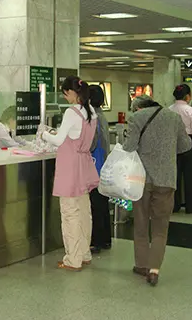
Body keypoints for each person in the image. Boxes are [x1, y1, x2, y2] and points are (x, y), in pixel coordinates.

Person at [124, 95, 191, 286]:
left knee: (141, 224)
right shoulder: (173, 117)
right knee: (161, 228)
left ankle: (142, 265)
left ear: (138, 107)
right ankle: (154, 270)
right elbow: (186, 145)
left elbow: (129, 147)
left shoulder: (137, 118)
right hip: (166, 179)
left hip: (141, 180)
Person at [42, 76, 99, 271]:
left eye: (65, 93)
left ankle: (73, 259)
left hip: (69, 168)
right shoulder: (91, 111)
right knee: (84, 211)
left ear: (72, 92)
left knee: (69, 213)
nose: (65, 97)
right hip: (84, 166)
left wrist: (43, 133)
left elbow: (58, 140)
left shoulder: (71, 112)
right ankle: (84, 253)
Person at [170, 84, 192, 214]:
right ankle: (191, 206)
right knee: (191, 178)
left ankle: (175, 205)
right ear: (188, 96)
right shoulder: (191, 111)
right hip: (189, 145)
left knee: (174, 177)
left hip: (173, 145)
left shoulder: (169, 110)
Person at [88, 84, 112, 254]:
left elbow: (91, 143)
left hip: (94, 166)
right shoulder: (102, 116)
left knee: (95, 204)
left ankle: (96, 240)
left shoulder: (92, 117)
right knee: (102, 203)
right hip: (103, 164)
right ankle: (105, 239)